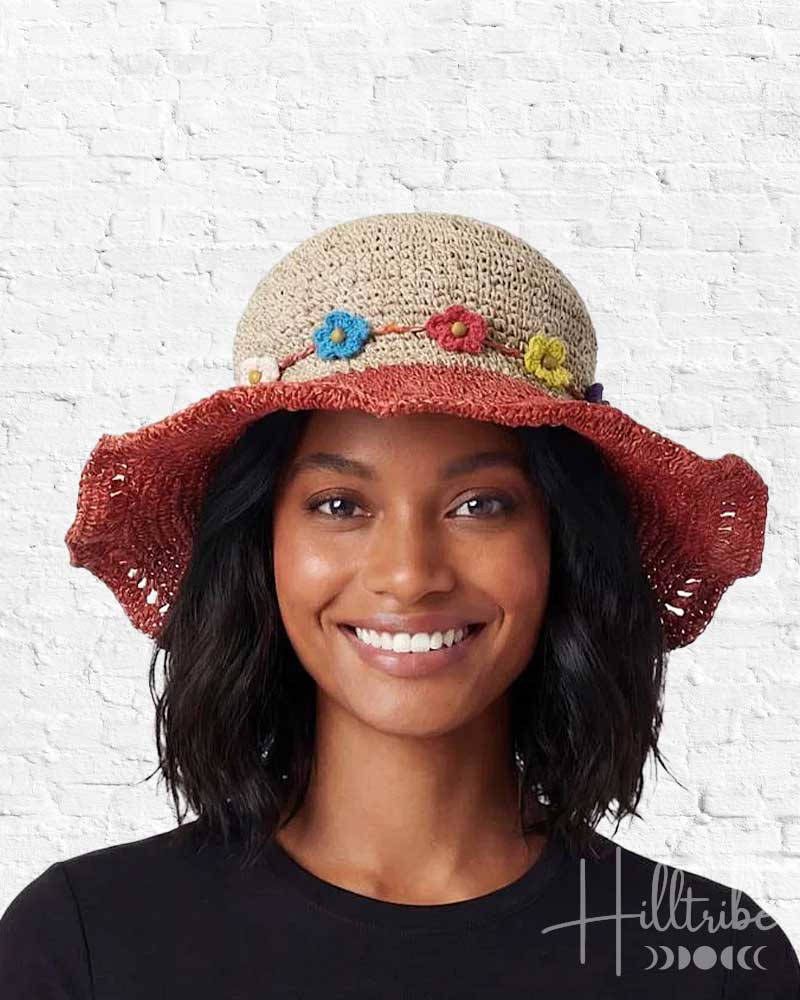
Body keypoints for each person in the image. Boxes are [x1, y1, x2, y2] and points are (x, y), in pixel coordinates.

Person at [1, 211, 797, 998]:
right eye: (340, 505)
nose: (410, 575)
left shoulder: (716, 961)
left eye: (480, 504)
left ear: (564, 545)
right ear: (259, 544)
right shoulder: (85, 945)